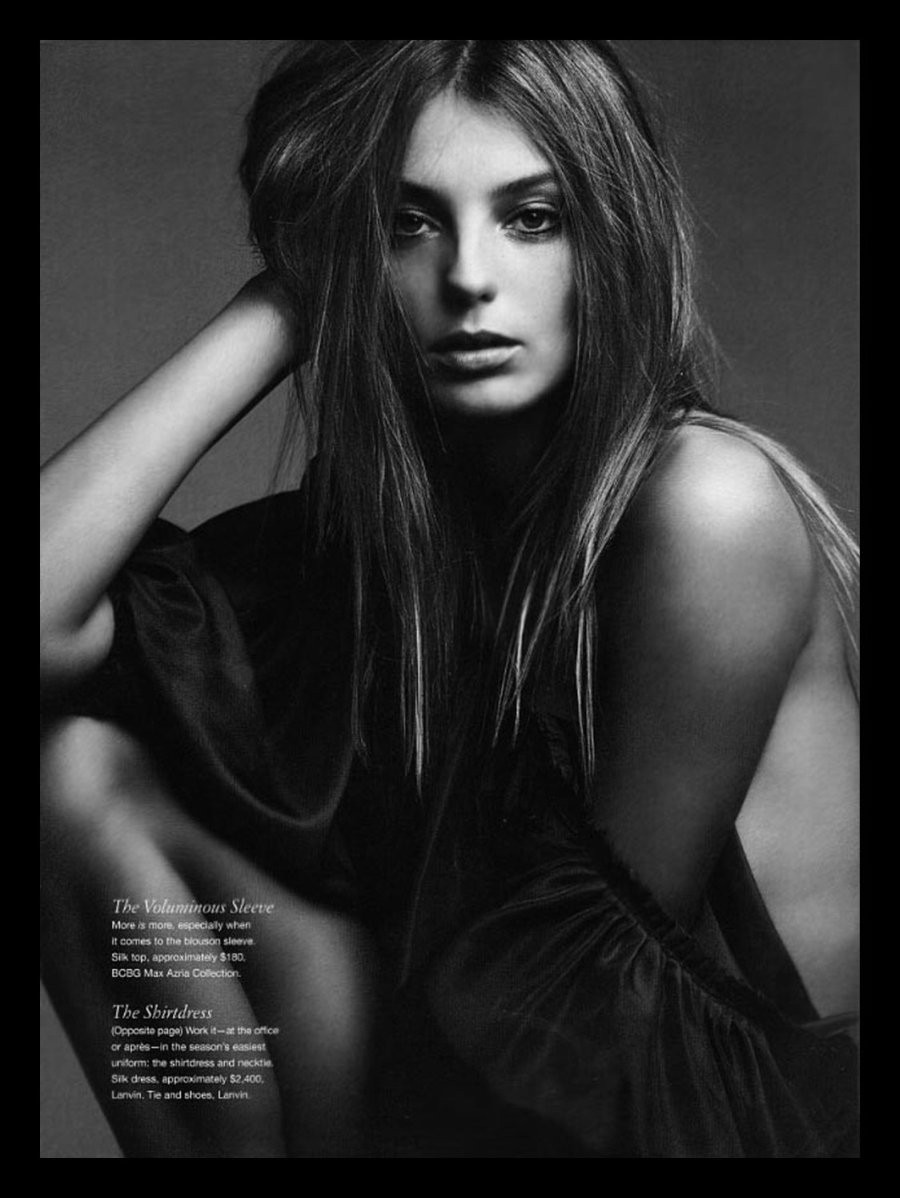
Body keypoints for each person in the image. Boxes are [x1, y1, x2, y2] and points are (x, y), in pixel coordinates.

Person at [40, 40, 859, 1158]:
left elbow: (585, 1022)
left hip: (689, 1113)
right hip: (480, 1073)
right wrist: (285, 302)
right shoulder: (379, 550)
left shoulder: (705, 503)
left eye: (533, 218)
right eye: (406, 225)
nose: (470, 277)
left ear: (612, 240)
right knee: (75, 771)